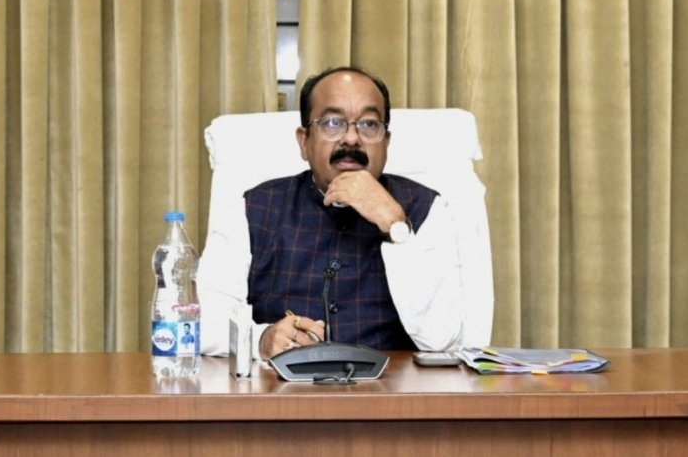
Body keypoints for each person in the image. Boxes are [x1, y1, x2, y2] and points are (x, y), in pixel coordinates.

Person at [197, 66, 493, 360]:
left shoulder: (427, 207)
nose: (351, 139)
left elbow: (443, 339)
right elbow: (204, 320)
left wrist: (395, 224)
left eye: (369, 124)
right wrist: (261, 339)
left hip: (393, 387)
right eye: (332, 122)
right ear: (304, 141)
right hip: (282, 387)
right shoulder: (254, 208)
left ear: (386, 142)